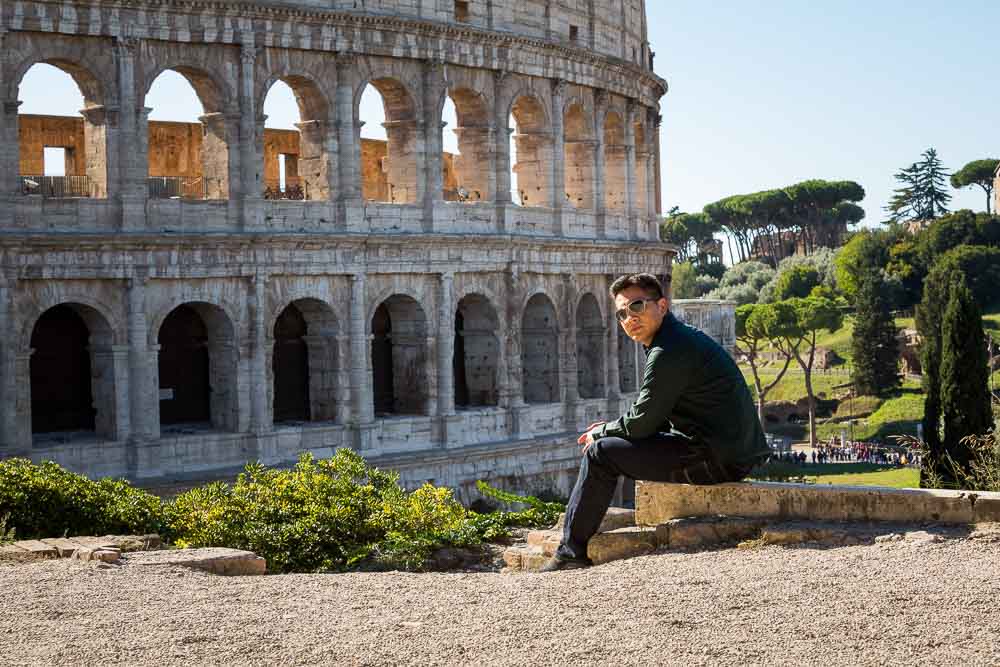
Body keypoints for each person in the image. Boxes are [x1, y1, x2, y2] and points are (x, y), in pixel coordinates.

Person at [540, 273, 770, 572]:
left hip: (716, 459)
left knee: (601, 453)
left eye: (636, 306)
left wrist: (603, 431)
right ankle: (572, 548)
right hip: (726, 452)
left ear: (661, 305)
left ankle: (571, 552)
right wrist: (615, 429)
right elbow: (651, 417)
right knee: (610, 444)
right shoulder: (676, 339)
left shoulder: (669, 351)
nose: (629, 318)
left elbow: (642, 423)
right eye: (622, 313)